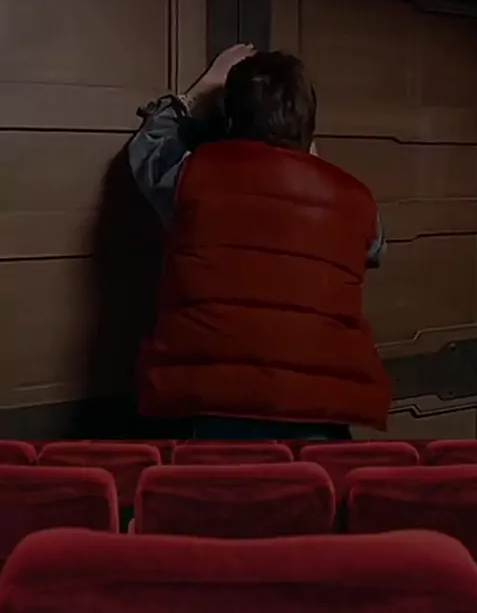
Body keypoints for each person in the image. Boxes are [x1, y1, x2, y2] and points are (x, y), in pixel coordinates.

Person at [129, 44, 391, 439]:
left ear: (231, 119)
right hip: (321, 409)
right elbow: (374, 249)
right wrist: (311, 161)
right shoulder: (356, 200)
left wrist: (202, 89)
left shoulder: (191, 177)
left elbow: (148, 149)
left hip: (214, 402)